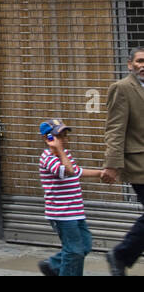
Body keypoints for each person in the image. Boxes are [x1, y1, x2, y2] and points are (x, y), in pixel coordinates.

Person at [35, 119, 103, 277]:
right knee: (74, 251)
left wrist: (101, 173)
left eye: (65, 136)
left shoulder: (65, 156)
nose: (65, 139)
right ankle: (57, 268)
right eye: (60, 136)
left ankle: (53, 265)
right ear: (48, 139)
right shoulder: (48, 158)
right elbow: (69, 171)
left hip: (76, 211)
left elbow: (77, 171)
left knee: (84, 245)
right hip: (62, 214)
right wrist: (59, 150)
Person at [103, 46, 144, 276]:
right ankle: (120, 254)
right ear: (130, 64)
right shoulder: (122, 88)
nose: (143, 65)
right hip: (140, 165)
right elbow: (115, 129)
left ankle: (121, 254)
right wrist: (112, 164)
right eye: (139, 60)